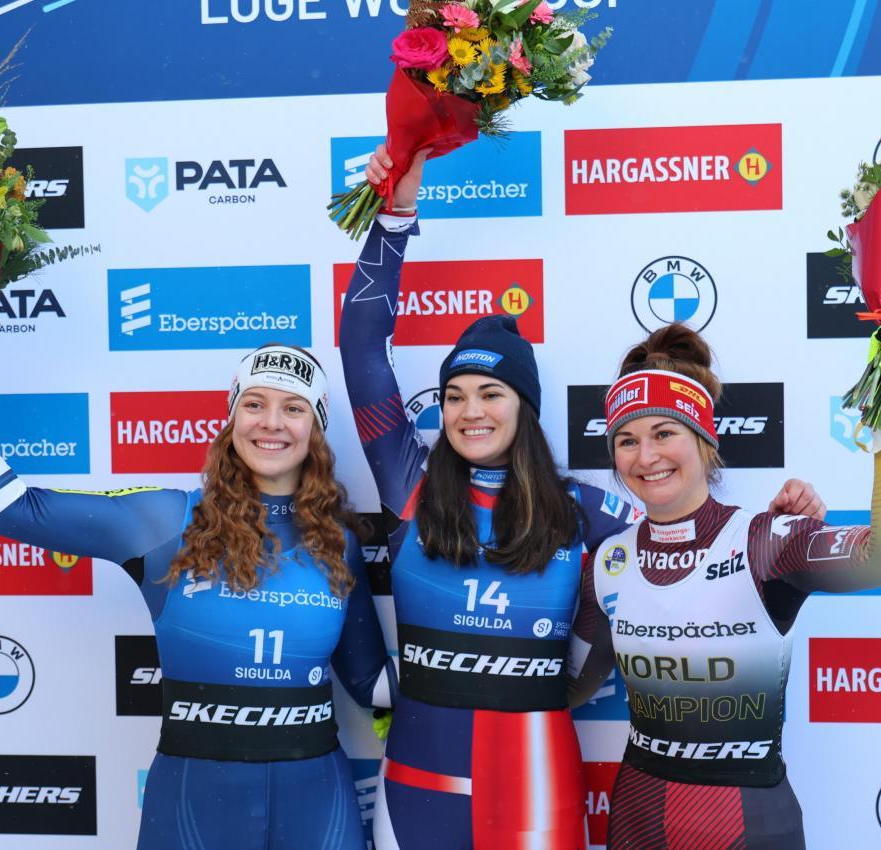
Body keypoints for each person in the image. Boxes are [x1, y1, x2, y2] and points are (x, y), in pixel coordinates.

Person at [341, 147, 825, 849]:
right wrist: (393, 215)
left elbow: (693, 551)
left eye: (491, 393)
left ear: (525, 407)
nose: (470, 411)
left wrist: (777, 531)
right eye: (452, 396)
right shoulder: (408, 485)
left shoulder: (589, 512)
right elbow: (360, 347)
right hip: (416, 785)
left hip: (533, 785)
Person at [0, 323, 394, 850]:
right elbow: (11, 507)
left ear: (316, 427)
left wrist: (477, 649)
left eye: (294, 408)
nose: (271, 423)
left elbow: (371, 684)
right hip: (194, 806)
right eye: (255, 403)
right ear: (232, 416)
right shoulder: (164, 521)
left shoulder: (336, 541)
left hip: (318, 805)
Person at [575, 322, 881, 849]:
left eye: (664, 433)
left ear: (704, 439)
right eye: (627, 440)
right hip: (637, 820)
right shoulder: (609, 562)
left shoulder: (766, 540)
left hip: (748, 823)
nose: (645, 456)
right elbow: (567, 687)